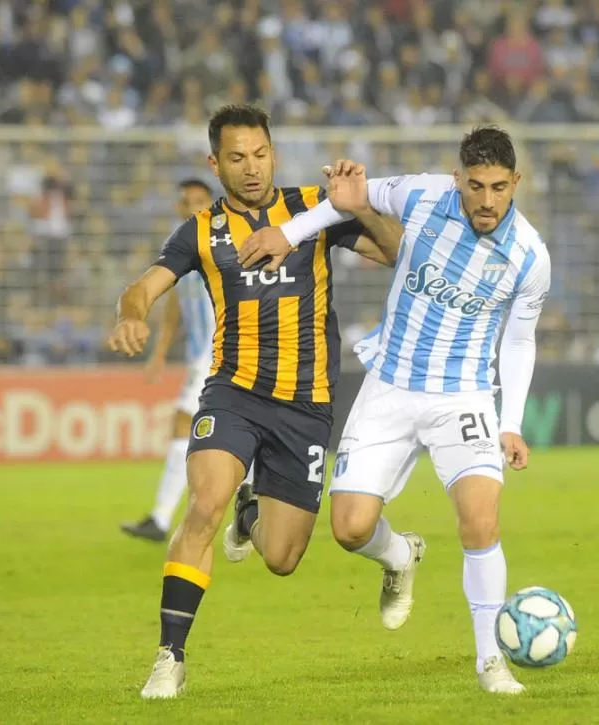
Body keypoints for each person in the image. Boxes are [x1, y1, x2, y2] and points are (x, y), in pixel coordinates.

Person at [238, 126, 551, 695]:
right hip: (390, 386)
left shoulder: (530, 256)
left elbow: (519, 340)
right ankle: (400, 556)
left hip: (464, 395)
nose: (486, 200)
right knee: (350, 529)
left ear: (516, 184)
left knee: (480, 519)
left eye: (499, 188)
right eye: (475, 185)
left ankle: (490, 662)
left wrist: (510, 422)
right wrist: (286, 232)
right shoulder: (424, 193)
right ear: (458, 178)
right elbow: (348, 199)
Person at [107, 104, 403, 700]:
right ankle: (170, 657)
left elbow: (394, 251)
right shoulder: (199, 230)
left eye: (261, 154)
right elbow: (143, 287)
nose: (251, 168)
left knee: (282, 558)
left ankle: (258, 512)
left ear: (275, 152)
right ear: (215, 163)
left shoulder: (310, 210)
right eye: (237, 157)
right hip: (233, 391)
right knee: (203, 505)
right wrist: (131, 316)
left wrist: (360, 204)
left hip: (307, 403)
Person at [120, 178, 254, 543]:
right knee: (215, 429)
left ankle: (163, 519)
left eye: (200, 200)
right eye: (186, 202)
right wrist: (161, 352)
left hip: (221, 354)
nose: (193, 207)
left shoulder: (227, 242)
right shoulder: (184, 246)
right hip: (201, 356)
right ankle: (250, 500)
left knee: (185, 427)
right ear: (179, 207)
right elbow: (175, 303)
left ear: (211, 202)